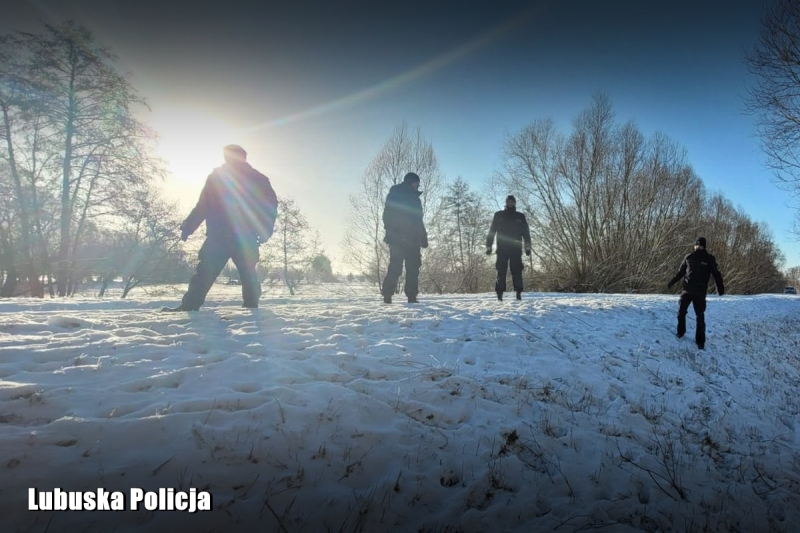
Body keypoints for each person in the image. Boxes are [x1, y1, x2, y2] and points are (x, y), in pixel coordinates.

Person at [162, 145, 278, 312]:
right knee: (216, 272)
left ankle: (250, 309)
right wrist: (189, 226)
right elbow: (204, 205)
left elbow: (269, 206)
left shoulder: (253, 179)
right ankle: (191, 306)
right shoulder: (223, 177)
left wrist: (265, 230)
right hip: (230, 235)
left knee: (241, 273)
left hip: (235, 235)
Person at [667, 237, 725, 349]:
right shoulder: (689, 257)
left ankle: (700, 341)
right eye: (696, 245)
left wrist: (720, 288)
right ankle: (680, 332)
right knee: (681, 312)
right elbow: (680, 272)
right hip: (687, 290)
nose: (698, 247)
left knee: (700, 316)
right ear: (694, 246)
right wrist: (671, 283)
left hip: (700, 292)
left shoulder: (709, 259)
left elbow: (716, 274)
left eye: (700, 245)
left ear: (704, 246)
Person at [381, 172, 428, 303]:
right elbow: (387, 216)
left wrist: (424, 237)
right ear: (410, 182)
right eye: (416, 182)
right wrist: (393, 232)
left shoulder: (416, 199)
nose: (418, 185)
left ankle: (412, 296)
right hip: (397, 239)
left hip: (413, 240)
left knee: (413, 268)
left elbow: (419, 220)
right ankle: (387, 295)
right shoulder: (395, 195)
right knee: (396, 267)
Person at [486, 195, 531, 301]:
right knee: (501, 270)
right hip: (502, 248)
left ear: (515, 203)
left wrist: (527, 247)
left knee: (517, 270)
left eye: (512, 202)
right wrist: (489, 246)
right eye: (508, 202)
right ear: (506, 203)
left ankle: (518, 293)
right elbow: (492, 231)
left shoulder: (520, 216)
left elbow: (526, 233)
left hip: (516, 248)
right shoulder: (498, 215)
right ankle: (499, 294)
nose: (510, 204)